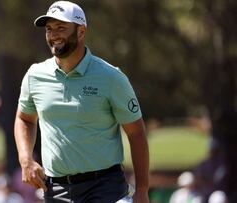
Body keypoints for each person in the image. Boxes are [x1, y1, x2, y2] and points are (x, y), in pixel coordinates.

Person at [14, 1, 149, 202]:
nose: (53, 35)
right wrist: (25, 158)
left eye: (61, 28)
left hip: (105, 187)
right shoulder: (35, 75)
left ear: (81, 31)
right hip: (57, 189)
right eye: (49, 29)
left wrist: (142, 190)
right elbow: (24, 119)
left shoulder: (110, 77)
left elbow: (136, 133)